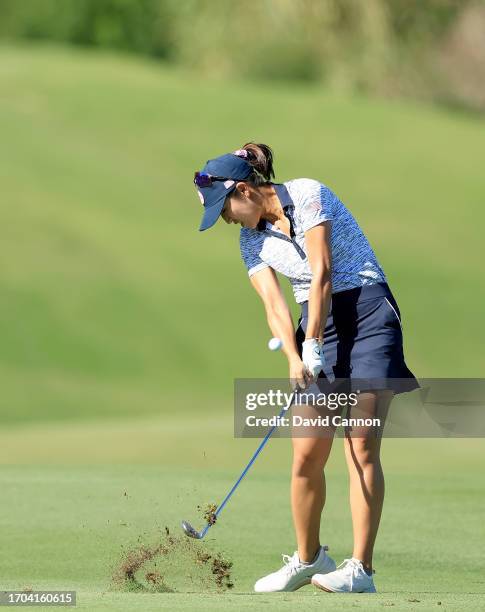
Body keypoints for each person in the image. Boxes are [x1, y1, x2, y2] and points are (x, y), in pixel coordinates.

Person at [193, 142, 419, 594]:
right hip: (318, 325)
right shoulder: (249, 241)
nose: (227, 219)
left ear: (245, 190)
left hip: (369, 314)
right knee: (306, 454)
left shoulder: (308, 193)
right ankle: (308, 557)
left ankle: (361, 570)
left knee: (360, 446)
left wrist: (312, 341)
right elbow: (274, 306)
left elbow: (323, 272)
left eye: (226, 209)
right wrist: (297, 357)